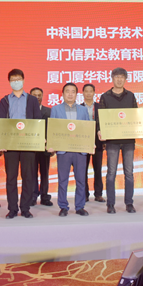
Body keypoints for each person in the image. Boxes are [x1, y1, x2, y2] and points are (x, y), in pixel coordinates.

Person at [0, 69, 42, 219]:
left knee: (28, 176)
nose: (16, 82)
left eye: (18, 79)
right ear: (9, 82)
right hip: (10, 144)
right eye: (13, 80)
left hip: (28, 143)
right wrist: (1, 142)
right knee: (11, 177)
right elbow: (1, 122)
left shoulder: (32, 100)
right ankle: (12, 209)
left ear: (23, 80)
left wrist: (38, 139)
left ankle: (25, 208)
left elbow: (38, 120)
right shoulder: (5, 100)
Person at [97, 67, 138, 214]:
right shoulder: (105, 97)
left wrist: (141, 130)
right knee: (111, 173)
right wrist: (100, 130)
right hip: (112, 140)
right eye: (116, 77)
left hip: (128, 140)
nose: (119, 79)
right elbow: (101, 117)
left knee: (129, 173)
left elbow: (136, 116)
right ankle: (110, 204)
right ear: (112, 79)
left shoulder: (130, 96)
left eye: (122, 77)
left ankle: (129, 203)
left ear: (125, 79)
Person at [49, 83, 91, 217]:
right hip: (63, 151)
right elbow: (53, 129)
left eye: (73, 91)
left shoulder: (83, 110)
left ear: (77, 94)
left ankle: (80, 206)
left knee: (81, 180)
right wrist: (51, 145)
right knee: (63, 180)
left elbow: (88, 129)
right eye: (67, 91)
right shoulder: (55, 109)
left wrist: (90, 144)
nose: (70, 94)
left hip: (80, 151)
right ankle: (63, 206)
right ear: (63, 94)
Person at [81, 84, 105, 202]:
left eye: (91, 91)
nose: (89, 93)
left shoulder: (100, 107)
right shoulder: (79, 107)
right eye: (86, 91)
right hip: (83, 141)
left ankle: (98, 194)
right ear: (83, 93)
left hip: (97, 141)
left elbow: (104, 124)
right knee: (83, 169)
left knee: (98, 169)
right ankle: (84, 194)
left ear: (94, 93)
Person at [30, 87, 53, 207]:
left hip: (45, 148)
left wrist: (51, 144)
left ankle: (44, 196)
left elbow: (52, 129)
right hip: (31, 147)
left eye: (39, 95)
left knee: (45, 172)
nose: (37, 97)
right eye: (34, 95)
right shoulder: (26, 111)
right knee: (32, 173)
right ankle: (33, 196)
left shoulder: (49, 111)